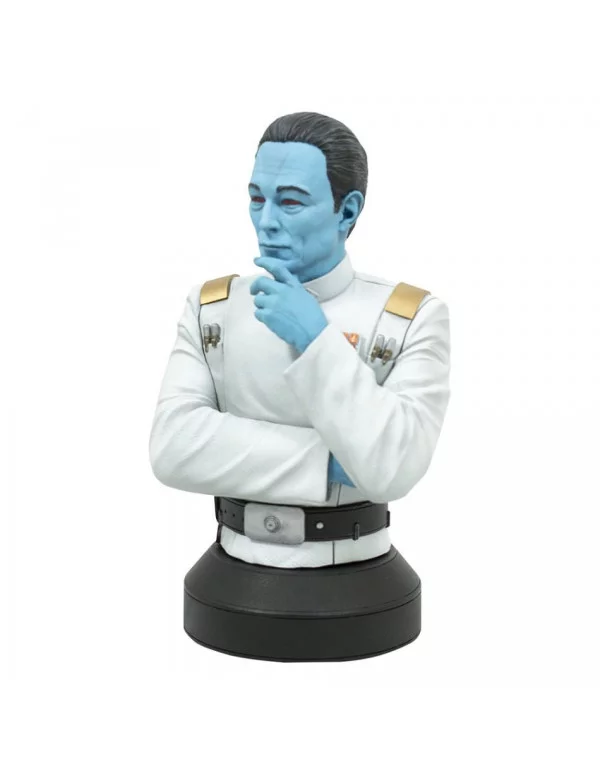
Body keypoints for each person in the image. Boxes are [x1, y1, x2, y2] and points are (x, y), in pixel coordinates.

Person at [149, 112, 451, 658]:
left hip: (358, 579)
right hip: (234, 573)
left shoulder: (409, 317)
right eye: (256, 198)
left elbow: (394, 467)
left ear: (346, 211)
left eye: (290, 202)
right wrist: (333, 462)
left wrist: (315, 339)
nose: (266, 221)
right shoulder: (212, 307)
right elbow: (173, 448)